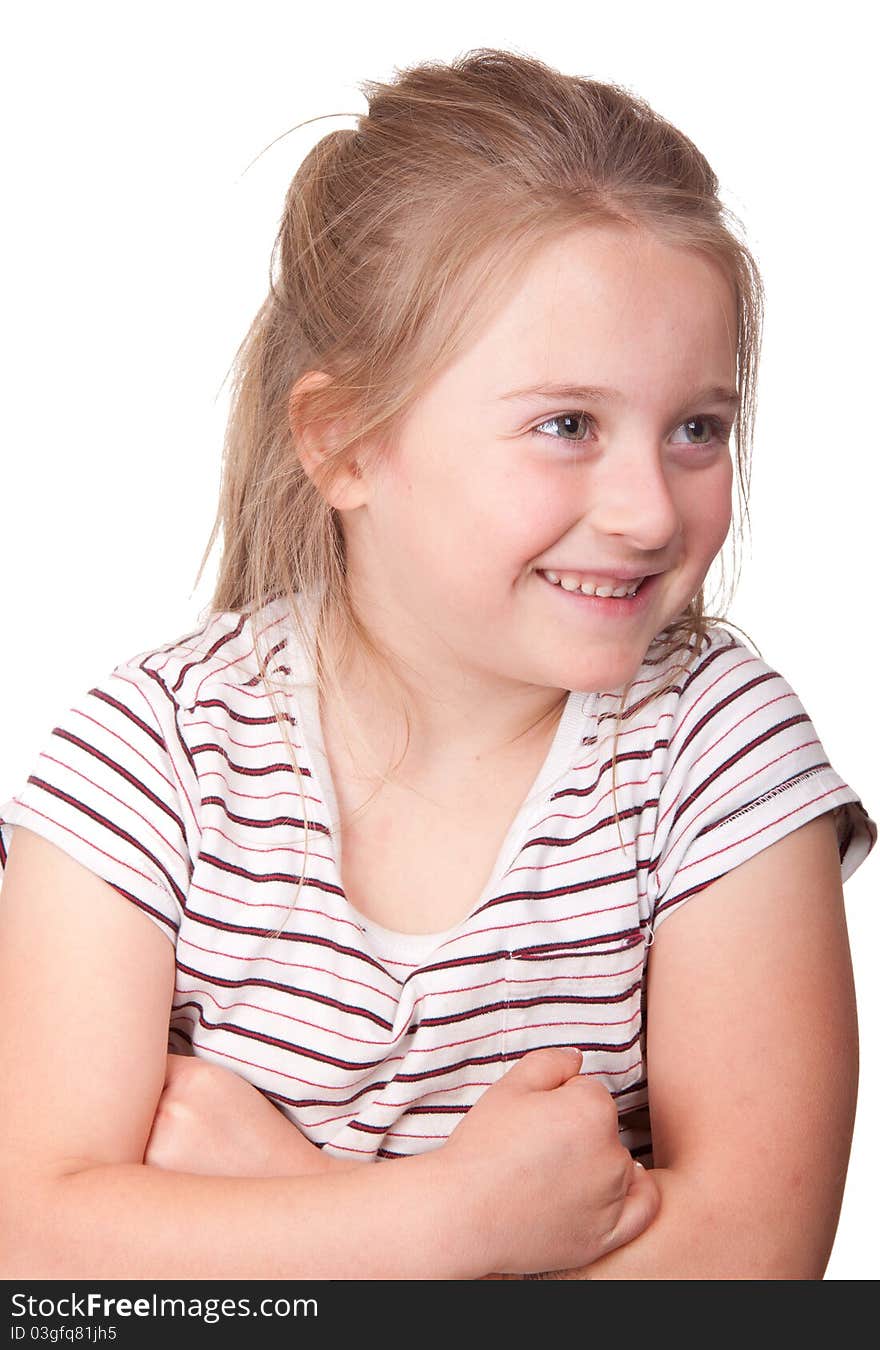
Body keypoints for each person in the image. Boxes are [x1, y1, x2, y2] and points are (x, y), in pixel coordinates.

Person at [0, 48, 875, 1282]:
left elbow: (745, 1275)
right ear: (344, 443)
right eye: (566, 425)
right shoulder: (145, 759)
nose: (644, 508)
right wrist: (453, 1224)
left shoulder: (717, 754)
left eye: (697, 428)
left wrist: (294, 1206)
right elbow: (36, 1260)